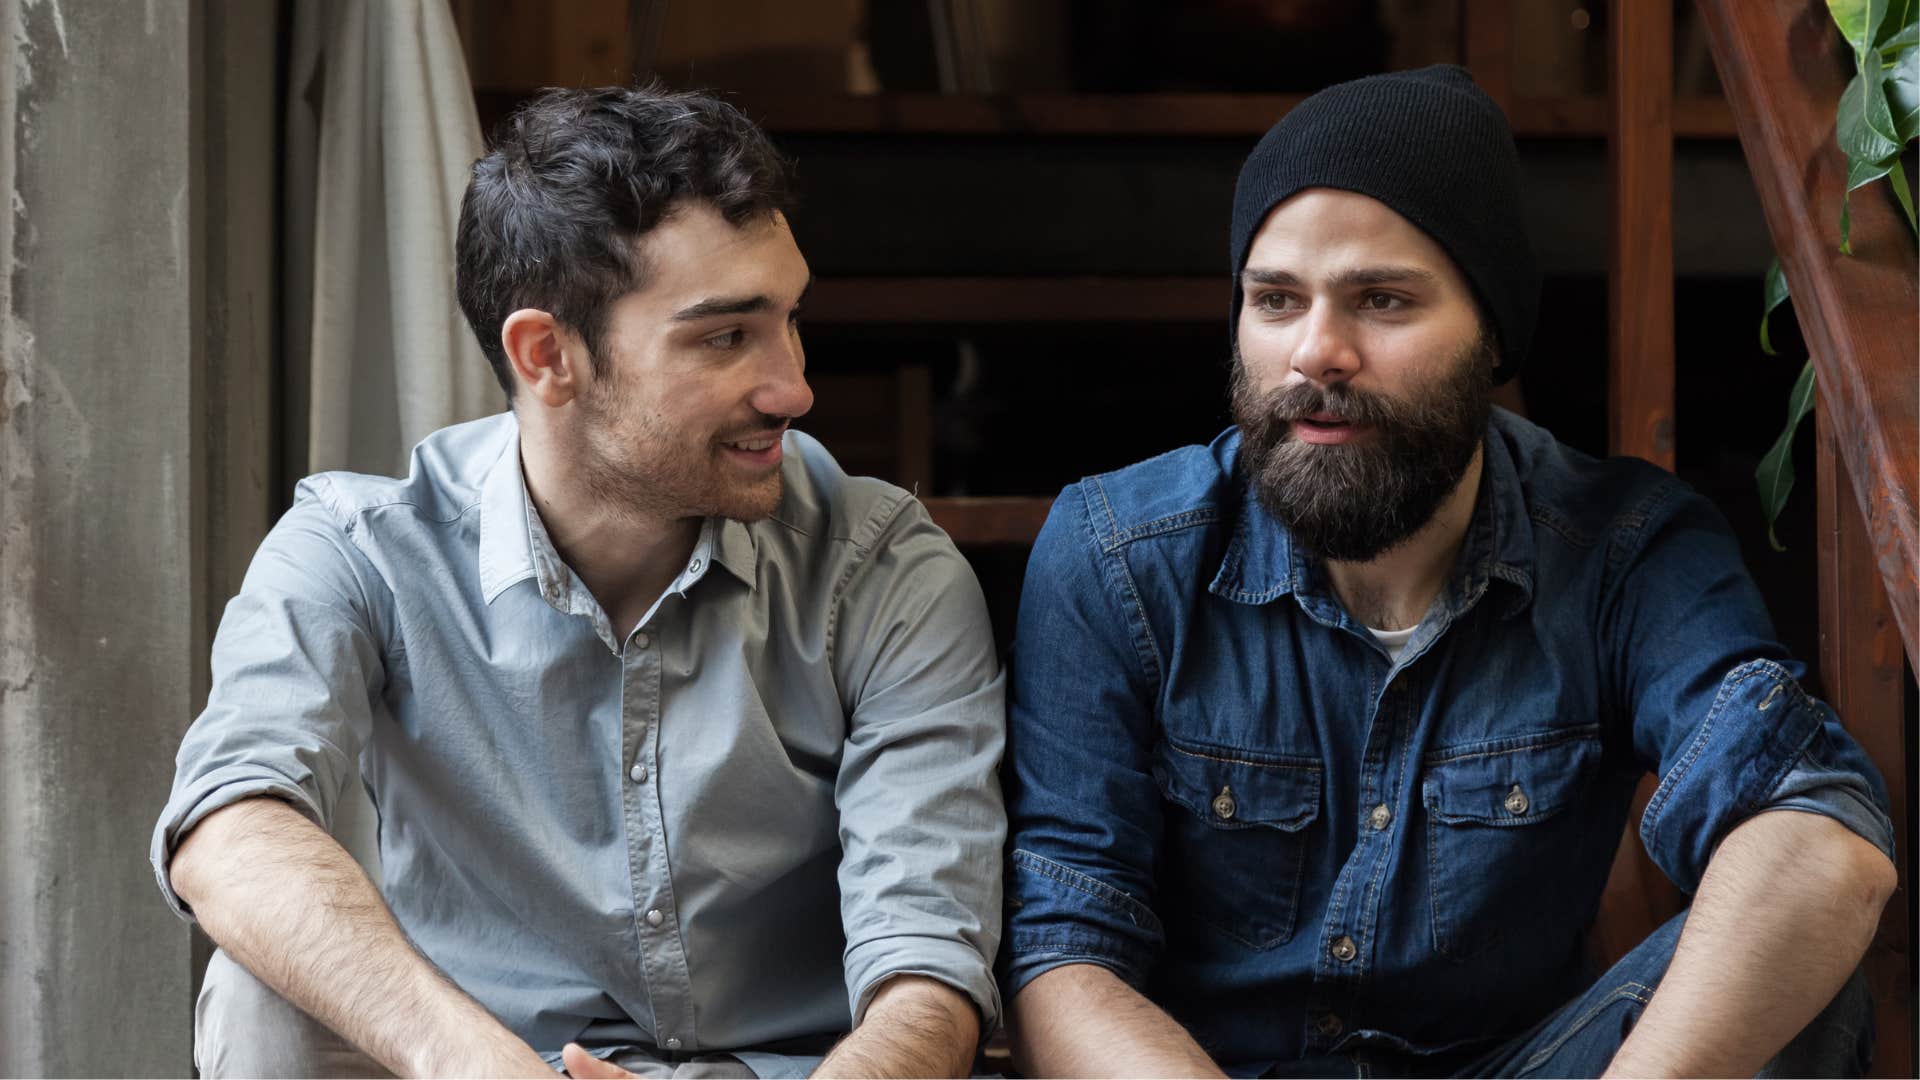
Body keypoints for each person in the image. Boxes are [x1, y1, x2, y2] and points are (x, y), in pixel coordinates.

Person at [999, 65, 1896, 1078]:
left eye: (1382, 301)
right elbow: (1061, 956)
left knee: (1797, 986)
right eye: (1275, 299)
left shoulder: (1623, 548)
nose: (1315, 353)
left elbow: (1815, 831)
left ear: (1491, 337)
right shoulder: (1120, 556)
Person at [152, 86, 1005, 1080]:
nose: (794, 388)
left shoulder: (885, 566)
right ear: (546, 355)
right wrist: (471, 1060)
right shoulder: (362, 550)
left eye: (788, 320)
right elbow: (230, 824)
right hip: (494, 1062)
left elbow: (928, 975)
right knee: (259, 998)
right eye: (726, 337)